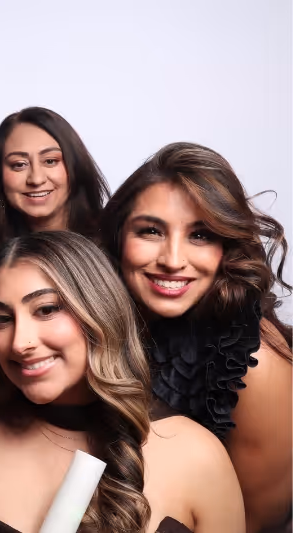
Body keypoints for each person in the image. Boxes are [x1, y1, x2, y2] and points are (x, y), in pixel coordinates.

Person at [0, 232, 245, 533]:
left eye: (46, 309)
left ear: (99, 312)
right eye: (2, 319)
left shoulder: (197, 457)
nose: (20, 342)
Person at [101, 142, 292, 533]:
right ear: (119, 237)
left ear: (227, 246)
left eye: (200, 235)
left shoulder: (256, 367)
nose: (173, 259)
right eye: (151, 231)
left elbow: (257, 522)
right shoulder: (105, 316)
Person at [0, 106, 110, 261]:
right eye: (19, 164)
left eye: (50, 161)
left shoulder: (115, 248)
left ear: (75, 166)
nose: (36, 179)